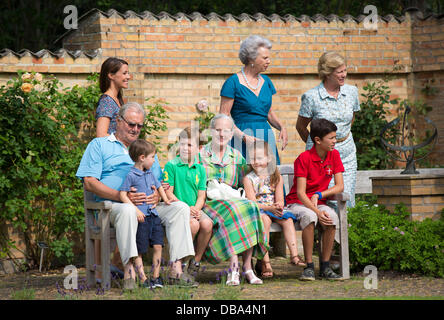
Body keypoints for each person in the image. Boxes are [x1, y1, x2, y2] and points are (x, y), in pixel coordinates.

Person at [76, 102, 196, 290]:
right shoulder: (99, 145)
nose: (135, 129)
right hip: (112, 207)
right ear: (118, 121)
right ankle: (129, 272)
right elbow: (89, 182)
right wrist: (121, 196)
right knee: (127, 210)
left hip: (148, 207)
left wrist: (157, 196)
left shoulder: (145, 149)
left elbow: (158, 181)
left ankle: (176, 269)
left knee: (179, 208)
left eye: (139, 126)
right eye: (131, 124)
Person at [198, 113, 268, 286]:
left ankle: (245, 267)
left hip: (232, 203)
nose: (222, 135)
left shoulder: (237, 157)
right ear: (211, 131)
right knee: (236, 209)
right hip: (208, 203)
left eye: (226, 131)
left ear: (231, 134)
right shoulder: (200, 155)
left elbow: (250, 180)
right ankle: (235, 267)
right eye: (218, 130)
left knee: (250, 207)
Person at [295, 51, 360, 208]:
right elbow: (301, 126)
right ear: (327, 73)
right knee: (324, 201)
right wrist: (319, 145)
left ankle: (345, 232)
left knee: (346, 199)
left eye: (345, 70)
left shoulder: (352, 92)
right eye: (339, 72)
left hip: (347, 153)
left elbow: (351, 118)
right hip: (321, 157)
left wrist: (340, 138)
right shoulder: (311, 97)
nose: (344, 75)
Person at [286, 118, 345, 281]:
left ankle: (325, 266)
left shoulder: (334, 155)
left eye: (335, 137)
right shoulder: (303, 158)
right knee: (310, 217)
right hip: (297, 203)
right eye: (331, 138)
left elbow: (340, 186)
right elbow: (300, 193)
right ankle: (309, 267)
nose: (335, 141)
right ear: (318, 140)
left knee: (332, 217)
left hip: (317, 201)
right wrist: (317, 211)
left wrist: (319, 195)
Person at [220, 35, 287, 165]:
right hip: (241, 137)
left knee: (270, 179)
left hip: (265, 137)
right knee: (244, 178)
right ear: (251, 58)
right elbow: (224, 118)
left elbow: (269, 113)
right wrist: (244, 137)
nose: (269, 61)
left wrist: (282, 127)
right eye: (265, 58)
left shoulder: (267, 82)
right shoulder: (232, 82)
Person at [243, 140, 305, 278]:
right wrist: (269, 208)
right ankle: (266, 262)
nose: (256, 162)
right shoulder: (249, 179)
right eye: (253, 158)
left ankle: (294, 255)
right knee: (264, 220)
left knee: (288, 219)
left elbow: (280, 198)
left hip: (273, 209)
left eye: (259, 158)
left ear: (268, 158)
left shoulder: (275, 176)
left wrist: (279, 205)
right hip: (260, 210)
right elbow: (252, 203)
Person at [119, 139, 172, 289]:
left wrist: (166, 199)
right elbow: (123, 195)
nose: (154, 160)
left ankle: (155, 277)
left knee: (158, 246)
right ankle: (143, 279)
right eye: (152, 157)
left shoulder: (149, 173)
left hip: (153, 215)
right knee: (140, 250)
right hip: (141, 218)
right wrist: (135, 210)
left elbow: (160, 186)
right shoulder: (131, 175)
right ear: (142, 158)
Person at [163, 127, 213, 276]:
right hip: (178, 208)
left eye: (190, 145)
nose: (185, 148)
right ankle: (181, 262)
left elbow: (201, 196)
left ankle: (195, 261)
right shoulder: (172, 165)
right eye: (182, 144)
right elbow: (168, 193)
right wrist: (187, 208)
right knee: (193, 224)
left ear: (200, 148)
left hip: (194, 208)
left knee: (207, 224)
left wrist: (196, 209)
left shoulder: (200, 169)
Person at [96, 57, 130, 137]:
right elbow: (101, 135)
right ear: (111, 75)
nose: (128, 77)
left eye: (128, 73)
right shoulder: (107, 101)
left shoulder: (117, 99)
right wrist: (121, 142)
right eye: (124, 73)